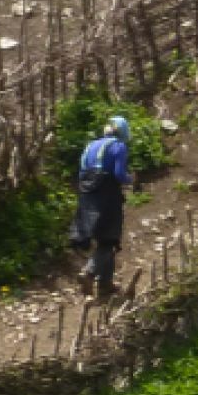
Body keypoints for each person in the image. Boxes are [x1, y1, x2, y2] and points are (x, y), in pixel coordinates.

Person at [70, 116, 132, 300]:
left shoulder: (90, 146)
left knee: (103, 239)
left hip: (87, 195)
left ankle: (106, 284)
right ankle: (89, 273)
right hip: (107, 195)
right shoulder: (118, 146)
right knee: (109, 239)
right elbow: (119, 174)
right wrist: (131, 180)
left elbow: (82, 173)